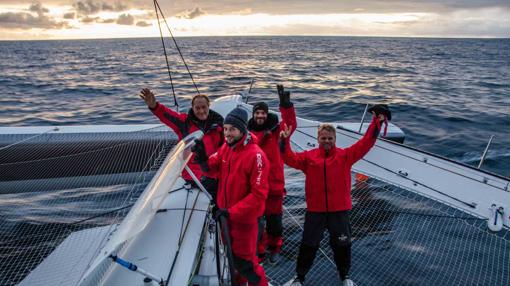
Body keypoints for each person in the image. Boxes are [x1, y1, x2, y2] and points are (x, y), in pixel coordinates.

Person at [280, 105, 391, 286]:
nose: (326, 141)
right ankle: (299, 278)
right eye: (323, 138)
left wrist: (376, 123)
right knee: (308, 246)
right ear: (318, 139)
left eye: (330, 138)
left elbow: (366, 143)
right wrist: (283, 142)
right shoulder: (309, 158)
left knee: (342, 246)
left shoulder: (345, 156)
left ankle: (345, 277)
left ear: (335, 139)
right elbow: (289, 158)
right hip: (315, 211)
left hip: (339, 211)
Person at [194, 107, 270, 286]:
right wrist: (203, 158)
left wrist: (231, 212)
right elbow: (212, 169)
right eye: (225, 129)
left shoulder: (256, 156)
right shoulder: (226, 148)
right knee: (232, 260)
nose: (227, 134)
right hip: (226, 218)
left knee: (247, 265)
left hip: (244, 222)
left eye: (232, 129)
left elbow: (258, 195)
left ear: (242, 130)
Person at [139, 88, 223, 201]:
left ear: (209, 106)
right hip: (194, 174)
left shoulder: (219, 124)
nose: (201, 111)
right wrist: (154, 106)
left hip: (215, 170)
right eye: (197, 108)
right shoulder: (184, 122)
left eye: (204, 107)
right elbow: (166, 115)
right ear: (192, 108)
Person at [247, 84, 297, 264]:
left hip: (274, 186)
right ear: (253, 114)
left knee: (275, 221)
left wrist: (286, 106)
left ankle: (275, 248)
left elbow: (290, 125)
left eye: (263, 113)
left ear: (267, 114)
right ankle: (259, 251)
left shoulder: (277, 130)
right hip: (255, 188)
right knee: (257, 222)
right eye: (257, 113)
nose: (260, 116)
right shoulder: (247, 133)